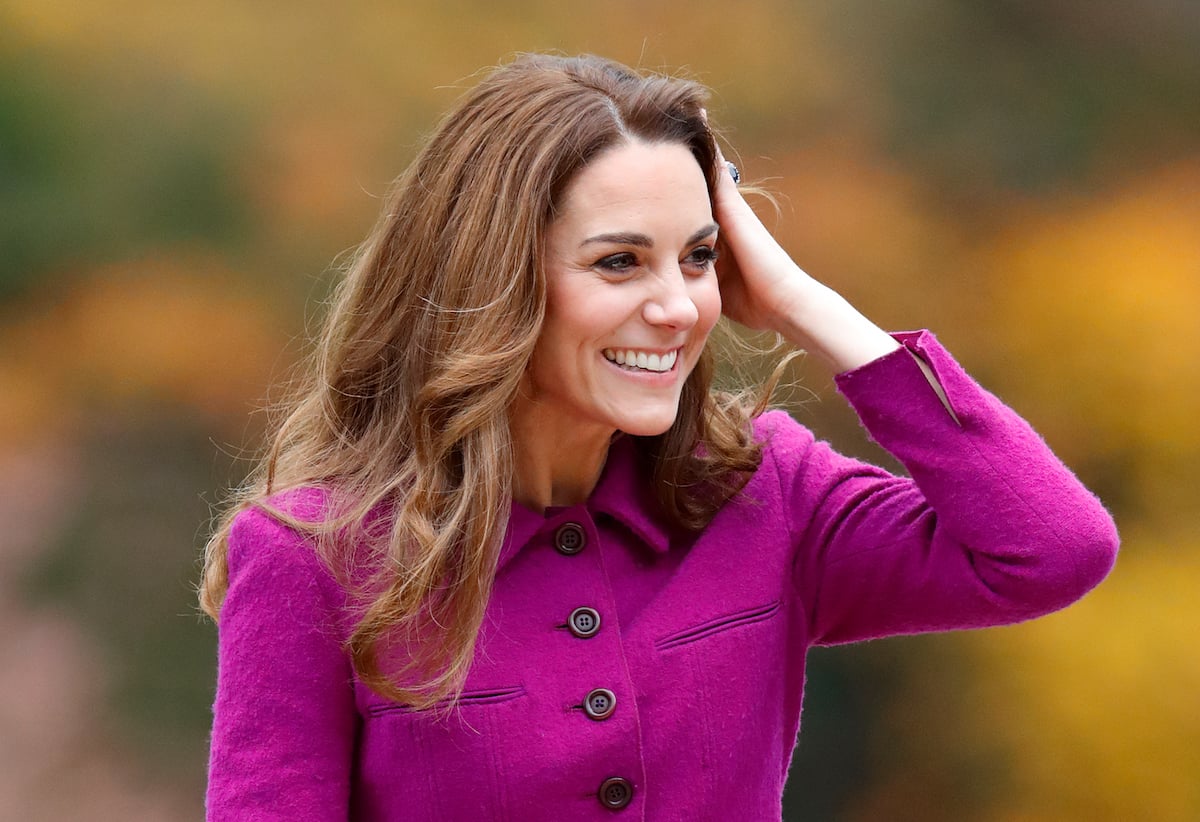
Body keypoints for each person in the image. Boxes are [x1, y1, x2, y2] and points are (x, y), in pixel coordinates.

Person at [201, 53, 1118, 820]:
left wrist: (808, 303)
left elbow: (1051, 551)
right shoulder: (313, 558)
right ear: (495, 279)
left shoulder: (764, 494)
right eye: (619, 262)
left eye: (701, 256)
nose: (679, 309)